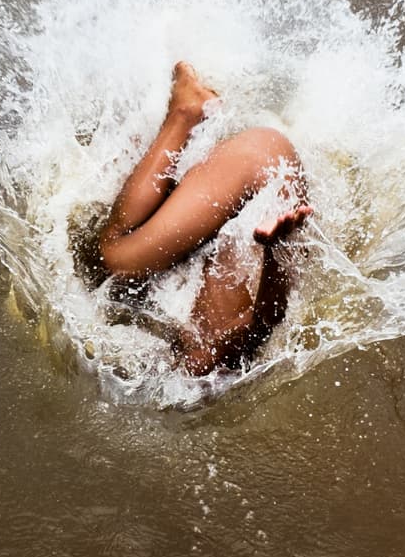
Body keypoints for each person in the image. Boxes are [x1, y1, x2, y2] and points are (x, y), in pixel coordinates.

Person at [99, 62, 311, 376]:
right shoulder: (206, 365)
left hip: (264, 178)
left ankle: (187, 129)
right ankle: (187, 111)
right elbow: (267, 319)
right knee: (115, 257)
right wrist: (275, 250)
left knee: (127, 264)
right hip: (264, 166)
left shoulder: (196, 362)